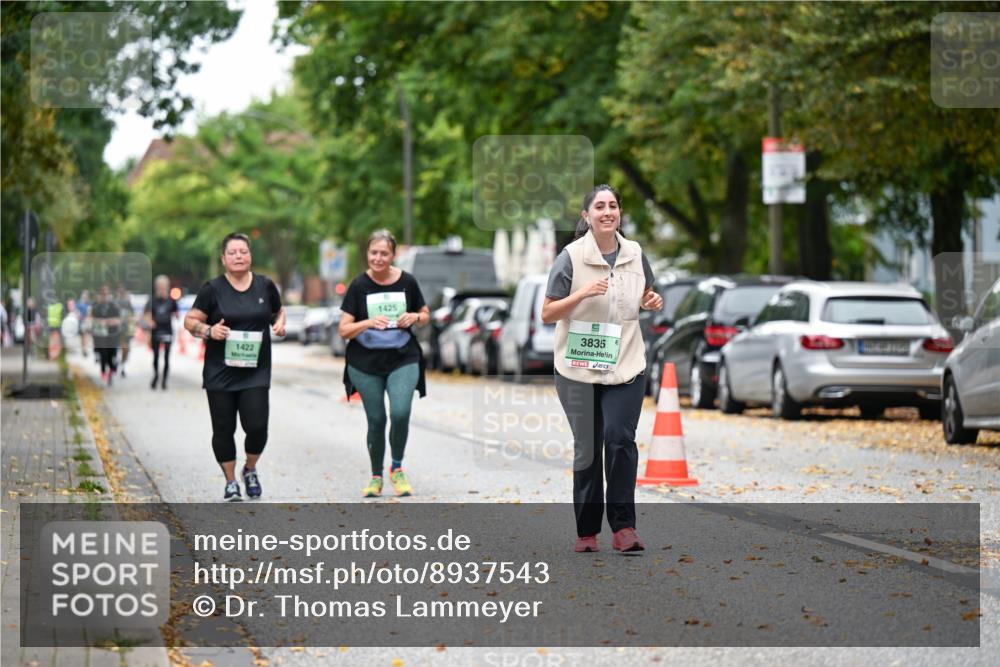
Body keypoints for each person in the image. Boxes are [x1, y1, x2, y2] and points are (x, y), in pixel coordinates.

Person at [541, 184, 663, 554]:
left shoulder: (635, 254)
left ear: (619, 213)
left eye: (613, 206)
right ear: (587, 216)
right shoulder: (571, 257)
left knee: (620, 439)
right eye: (599, 206)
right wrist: (582, 294)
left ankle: (624, 527)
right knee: (589, 447)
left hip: (625, 363)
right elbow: (548, 312)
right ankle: (587, 531)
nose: (607, 211)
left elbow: (644, 295)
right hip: (577, 368)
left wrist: (651, 300)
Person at [184, 233, 285, 501]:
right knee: (223, 428)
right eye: (232, 253)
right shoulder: (212, 289)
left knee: (257, 426)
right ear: (223, 259)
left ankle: (250, 468)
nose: (239, 256)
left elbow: (278, 311)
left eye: (243, 251)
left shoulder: (265, 286)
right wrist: (208, 330)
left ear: (250, 255)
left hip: (256, 371)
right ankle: (230, 482)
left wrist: (280, 323)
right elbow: (190, 321)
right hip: (221, 373)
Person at [339, 229, 430, 498]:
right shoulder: (358, 286)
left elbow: (425, 315)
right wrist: (367, 322)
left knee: (400, 412)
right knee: (377, 419)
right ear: (367, 254)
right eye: (373, 253)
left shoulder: (407, 282)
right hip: (365, 362)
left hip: (403, 357)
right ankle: (376, 475)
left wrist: (414, 317)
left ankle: (397, 468)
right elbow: (344, 330)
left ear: (393, 255)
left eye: (384, 253)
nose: (378, 258)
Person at [144, 275, 179, 390]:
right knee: (156, 356)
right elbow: (146, 315)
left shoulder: (171, 300)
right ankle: (155, 376)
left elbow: (176, 313)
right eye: (160, 286)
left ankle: (164, 380)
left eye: (164, 286)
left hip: (168, 330)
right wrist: (150, 322)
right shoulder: (152, 300)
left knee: (167, 357)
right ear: (156, 287)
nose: (162, 288)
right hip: (156, 331)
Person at [91, 285, 122, 386]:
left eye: (106, 294)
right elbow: (90, 319)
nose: (104, 296)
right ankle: (103, 370)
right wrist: (98, 322)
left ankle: (112, 369)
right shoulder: (96, 306)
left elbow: (118, 320)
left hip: (112, 335)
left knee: (111, 355)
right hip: (100, 336)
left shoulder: (114, 306)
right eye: (102, 294)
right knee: (103, 353)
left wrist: (107, 321)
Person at [116, 284, 133, 377]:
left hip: (125, 329)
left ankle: (122, 366)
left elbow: (132, 314)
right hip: (115, 329)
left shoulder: (127, 302)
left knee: (126, 349)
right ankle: (114, 362)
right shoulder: (114, 302)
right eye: (119, 290)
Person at [77, 290, 91, 356]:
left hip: (86, 321)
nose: (85, 296)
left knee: (86, 335)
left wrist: (88, 318)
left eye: (86, 295)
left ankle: (85, 349)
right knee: (82, 336)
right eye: (84, 295)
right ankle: (83, 348)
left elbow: (90, 312)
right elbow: (76, 311)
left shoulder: (88, 303)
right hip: (81, 321)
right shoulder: (79, 303)